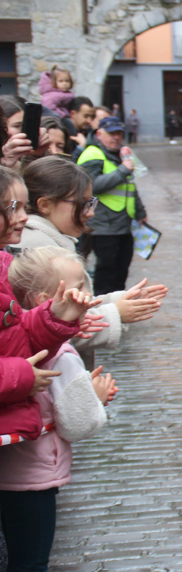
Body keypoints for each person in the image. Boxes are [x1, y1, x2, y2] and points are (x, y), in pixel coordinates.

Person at [1, 246, 118, 572]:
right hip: (31, 476)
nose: (88, 292)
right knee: (28, 567)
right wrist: (95, 398)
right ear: (46, 300)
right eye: (80, 286)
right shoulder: (62, 353)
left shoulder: (9, 338)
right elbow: (76, 423)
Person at [20, 156, 165, 369]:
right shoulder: (40, 248)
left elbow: (69, 309)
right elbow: (52, 325)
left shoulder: (48, 239)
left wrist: (119, 300)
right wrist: (116, 312)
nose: (90, 212)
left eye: (91, 202)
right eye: (83, 204)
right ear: (45, 205)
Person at [0, 165, 94, 445]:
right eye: (12, 208)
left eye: (23, 206)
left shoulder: (4, 265)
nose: (23, 217)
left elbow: (15, 338)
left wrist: (55, 318)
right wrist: (21, 376)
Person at [77, 116, 147, 295]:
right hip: (103, 225)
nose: (116, 137)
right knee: (106, 273)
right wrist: (122, 170)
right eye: (111, 134)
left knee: (121, 270)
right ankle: (105, 306)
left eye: (119, 134)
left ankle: (119, 304)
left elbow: (130, 186)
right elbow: (91, 186)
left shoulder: (122, 154)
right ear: (99, 134)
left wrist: (140, 211)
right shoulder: (92, 154)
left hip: (124, 224)